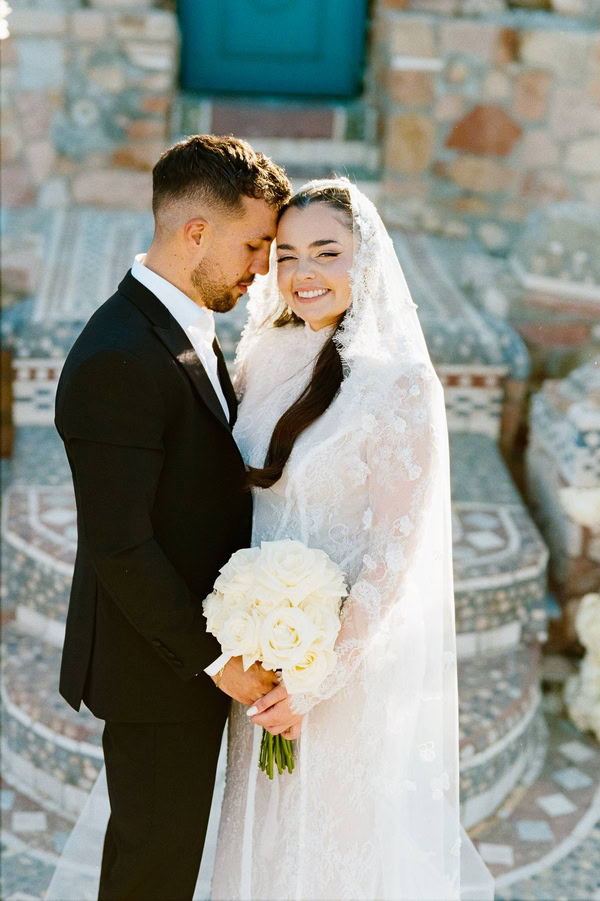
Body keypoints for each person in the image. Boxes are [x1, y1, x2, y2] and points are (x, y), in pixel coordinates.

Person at [208, 178, 495, 900]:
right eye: (287, 255)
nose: (304, 274)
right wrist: (245, 635)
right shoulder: (263, 358)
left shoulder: (400, 386)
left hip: (336, 675)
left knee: (327, 857)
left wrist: (314, 678)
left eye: (326, 253)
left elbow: (392, 555)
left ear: (364, 259)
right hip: (257, 663)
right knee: (258, 842)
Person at [51, 135, 291, 901]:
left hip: (190, 651)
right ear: (196, 233)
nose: (263, 267)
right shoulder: (116, 356)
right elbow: (120, 545)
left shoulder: (185, 325)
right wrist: (220, 660)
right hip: (157, 667)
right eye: (254, 244)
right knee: (152, 874)